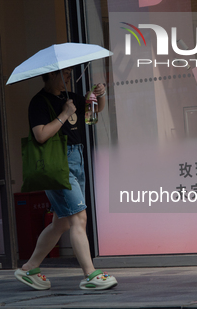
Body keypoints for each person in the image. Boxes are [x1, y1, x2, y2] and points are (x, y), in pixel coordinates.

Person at [14, 67, 117, 291]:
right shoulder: (39, 102)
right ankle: (90, 274)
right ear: (52, 74)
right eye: (66, 75)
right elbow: (40, 135)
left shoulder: (70, 97)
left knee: (60, 223)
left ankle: (29, 268)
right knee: (79, 217)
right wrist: (63, 114)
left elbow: (93, 113)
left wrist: (99, 96)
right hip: (57, 164)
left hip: (76, 158)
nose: (69, 78)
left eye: (70, 75)